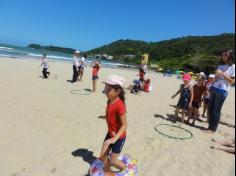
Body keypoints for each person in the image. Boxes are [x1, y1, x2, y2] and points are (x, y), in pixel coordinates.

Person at [99, 75, 127, 175]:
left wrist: (114, 139)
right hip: (110, 133)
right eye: (105, 88)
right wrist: (105, 117)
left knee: (113, 161)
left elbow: (124, 125)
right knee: (102, 156)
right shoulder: (110, 100)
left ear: (118, 91)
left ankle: (124, 168)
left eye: (108, 89)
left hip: (119, 137)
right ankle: (108, 172)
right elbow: (110, 113)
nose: (106, 91)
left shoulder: (120, 105)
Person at [206, 50, 235, 133]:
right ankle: (209, 127)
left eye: (225, 55)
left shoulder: (233, 67)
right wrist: (216, 76)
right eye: (222, 55)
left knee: (216, 110)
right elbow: (216, 79)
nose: (223, 57)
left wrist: (222, 73)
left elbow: (232, 82)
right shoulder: (220, 65)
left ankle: (212, 129)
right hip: (214, 88)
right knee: (210, 108)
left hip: (222, 90)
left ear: (230, 56)